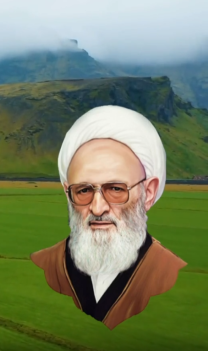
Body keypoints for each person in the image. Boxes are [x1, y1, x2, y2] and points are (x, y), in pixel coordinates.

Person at [30, 105, 187, 330]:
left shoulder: (173, 275)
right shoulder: (45, 265)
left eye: (115, 189)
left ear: (148, 193)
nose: (97, 207)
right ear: (68, 193)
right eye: (83, 190)